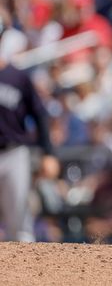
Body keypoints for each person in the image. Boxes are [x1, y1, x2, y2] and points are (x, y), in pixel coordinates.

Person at [0, 23, 59, 241]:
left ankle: (26, 274)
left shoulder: (17, 77)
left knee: (20, 224)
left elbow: (40, 115)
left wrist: (49, 153)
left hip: (13, 153)